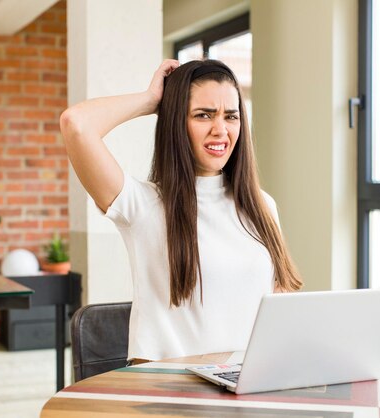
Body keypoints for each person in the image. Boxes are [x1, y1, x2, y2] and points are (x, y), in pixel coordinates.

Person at [60, 59, 302, 361]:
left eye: (231, 116)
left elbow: (278, 300)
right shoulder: (142, 205)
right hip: (167, 389)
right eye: (203, 115)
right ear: (176, 121)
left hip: (245, 384)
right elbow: (76, 124)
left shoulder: (262, 205)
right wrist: (151, 100)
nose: (221, 130)